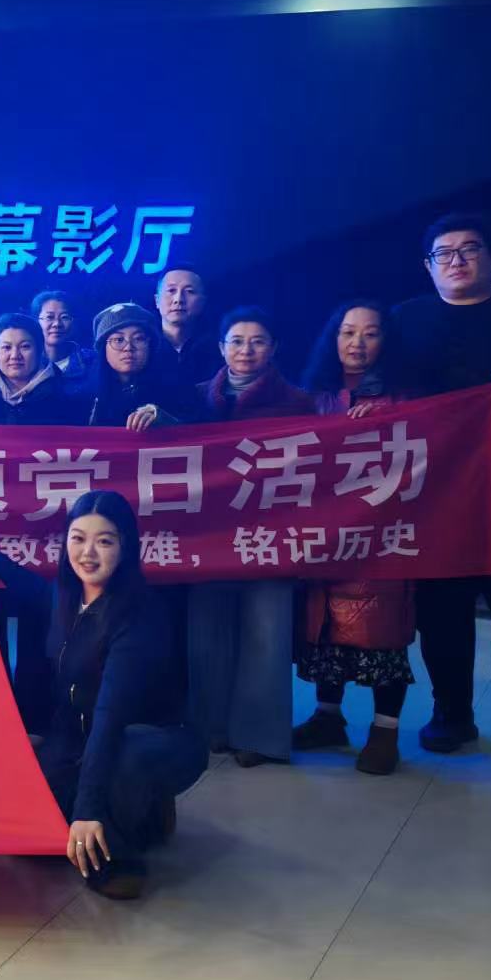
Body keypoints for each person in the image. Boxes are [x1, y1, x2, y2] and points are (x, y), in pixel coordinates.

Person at [0, 492, 206, 900]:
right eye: (78, 538)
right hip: (83, 736)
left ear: (125, 546)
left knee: (121, 760)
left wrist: (87, 811)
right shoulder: (66, 598)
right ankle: (137, 809)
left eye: (104, 541)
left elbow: (110, 715)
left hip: (154, 737)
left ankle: (122, 849)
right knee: (29, 831)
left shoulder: (140, 615)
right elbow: (32, 589)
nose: (88, 553)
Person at [389, 214, 491, 762]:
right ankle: (451, 714)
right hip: (436, 491)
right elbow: (375, 384)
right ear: (428, 266)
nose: (456, 260)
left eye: (469, 249)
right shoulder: (405, 320)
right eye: (443, 253)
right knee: (441, 610)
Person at [291, 300, 415, 775]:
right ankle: (328, 717)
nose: (357, 343)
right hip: (324, 531)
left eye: (370, 333)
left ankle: (385, 731)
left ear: (387, 340)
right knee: (324, 628)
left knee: (382, 630)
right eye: (347, 332)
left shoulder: (405, 396)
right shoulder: (312, 394)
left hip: (381, 534)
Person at [187, 306, 313, 768]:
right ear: (221, 347)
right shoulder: (197, 398)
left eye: (257, 341)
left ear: (273, 348)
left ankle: (258, 737)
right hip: (206, 537)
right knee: (206, 633)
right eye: (236, 341)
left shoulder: (298, 402)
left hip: (269, 534)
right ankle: (209, 729)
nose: (246, 350)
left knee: (267, 633)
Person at [0, 313, 91, 426]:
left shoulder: (67, 401)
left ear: (39, 350)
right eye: (7, 347)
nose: (15, 355)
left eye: (25, 346)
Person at [85, 303, 203, 429]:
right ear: (103, 348)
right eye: (119, 340)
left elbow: (201, 433)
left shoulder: (178, 388)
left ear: (151, 345)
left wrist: (165, 420)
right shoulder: (85, 393)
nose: (128, 347)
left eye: (138, 338)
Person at [155, 264, 222, 386]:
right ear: (157, 300)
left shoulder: (219, 350)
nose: (178, 299)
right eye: (171, 290)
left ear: (203, 302)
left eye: (189, 291)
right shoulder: (145, 346)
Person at [32, 289, 94, 394]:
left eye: (64, 317)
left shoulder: (92, 362)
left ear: (74, 322)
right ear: (37, 322)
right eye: (49, 317)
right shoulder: (27, 363)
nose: (57, 324)